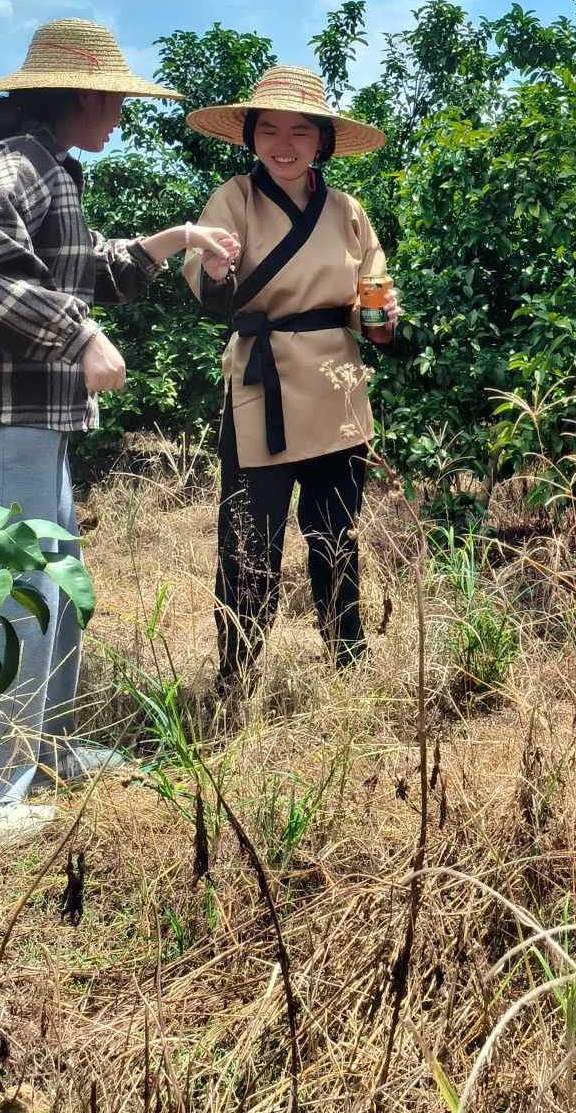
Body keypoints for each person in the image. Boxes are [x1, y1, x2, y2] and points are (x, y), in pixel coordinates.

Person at [0, 17, 241, 855]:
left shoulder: (47, 165)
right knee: (8, 599)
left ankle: (38, 755)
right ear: (81, 95)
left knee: (50, 590)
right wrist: (79, 334)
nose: (120, 115)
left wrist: (176, 240)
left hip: (23, 419)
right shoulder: (18, 164)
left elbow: (86, 264)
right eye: (115, 100)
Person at [183, 65, 398, 689]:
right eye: (269, 130)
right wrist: (215, 270)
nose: (284, 144)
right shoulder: (234, 198)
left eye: (300, 131)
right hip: (262, 384)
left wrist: (380, 318)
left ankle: (348, 663)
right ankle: (237, 677)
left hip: (335, 385)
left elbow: (367, 298)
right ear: (250, 135)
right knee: (249, 541)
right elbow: (204, 279)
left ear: (322, 140)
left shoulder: (347, 210)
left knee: (338, 534)